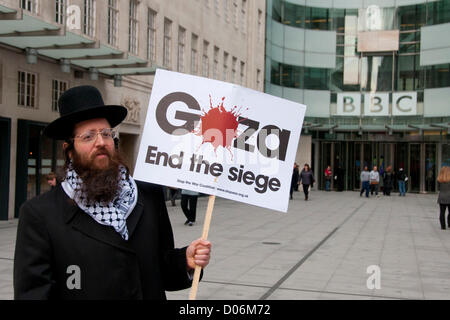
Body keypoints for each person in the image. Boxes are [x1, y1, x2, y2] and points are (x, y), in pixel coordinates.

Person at [14, 85, 211, 299]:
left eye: (106, 134)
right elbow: (34, 293)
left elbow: (160, 269)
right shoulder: (40, 214)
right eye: (88, 137)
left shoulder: (147, 195)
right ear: (69, 150)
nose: (101, 142)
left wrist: (185, 261)